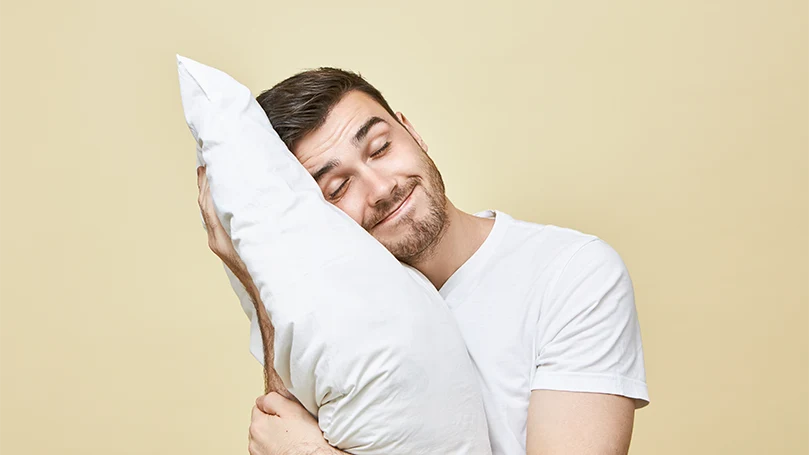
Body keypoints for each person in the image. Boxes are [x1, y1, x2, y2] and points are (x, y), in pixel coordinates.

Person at [195, 68, 649, 455]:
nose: (380, 187)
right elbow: (284, 429)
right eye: (336, 188)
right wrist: (257, 276)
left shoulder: (571, 274)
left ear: (412, 132)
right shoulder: (343, 324)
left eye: (380, 147)